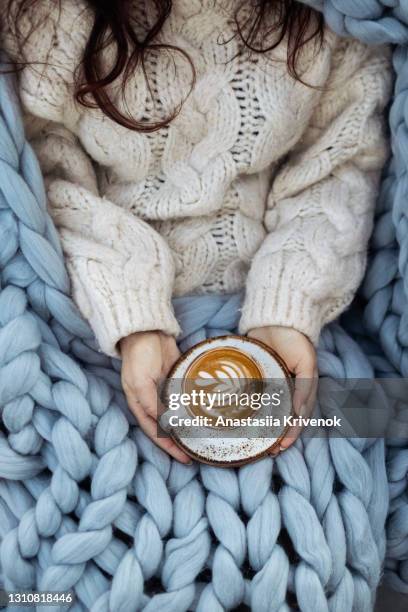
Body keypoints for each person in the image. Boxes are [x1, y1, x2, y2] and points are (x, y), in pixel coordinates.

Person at [3, 0, 392, 463]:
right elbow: (45, 176)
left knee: (382, 428)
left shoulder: (336, 16)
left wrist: (289, 305)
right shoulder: (45, 16)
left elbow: (339, 160)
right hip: (96, 317)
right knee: (76, 463)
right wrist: (133, 317)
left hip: (293, 322)